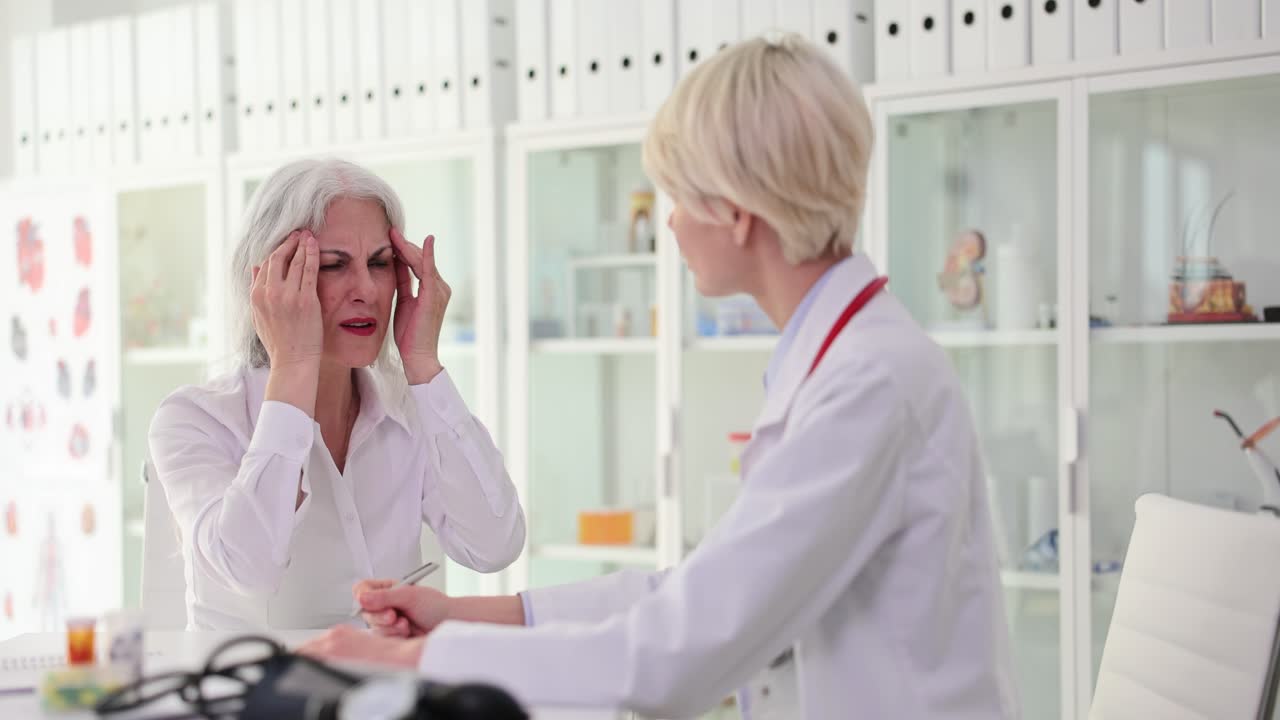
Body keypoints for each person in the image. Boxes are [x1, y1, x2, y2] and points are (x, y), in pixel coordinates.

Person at [303, 35, 1018, 719]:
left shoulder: (868, 384)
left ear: (736, 213)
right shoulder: (846, 359)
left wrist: (414, 663)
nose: (669, 225)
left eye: (677, 196)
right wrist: (463, 614)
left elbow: (677, 658)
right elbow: (699, 592)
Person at [148, 159, 525, 630]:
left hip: (383, 692)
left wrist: (424, 365)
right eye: (333, 265)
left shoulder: (407, 409)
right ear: (268, 285)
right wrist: (295, 367)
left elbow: (495, 546)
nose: (366, 289)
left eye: (380, 264)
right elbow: (249, 569)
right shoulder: (194, 418)